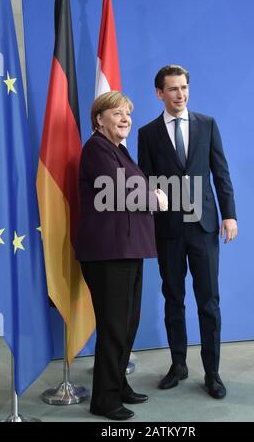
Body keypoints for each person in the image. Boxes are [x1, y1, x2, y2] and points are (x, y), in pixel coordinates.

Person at [138, 65, 237, 399]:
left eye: (184, 88)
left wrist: (230, 215)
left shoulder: (207, 124)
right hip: (168, 230)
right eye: (173, 89)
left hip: (205, 226)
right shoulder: (147, 134)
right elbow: (146, 184)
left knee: (208, 302)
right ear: (159, 93)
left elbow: (220, 173)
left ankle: (212, 372)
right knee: (174, 299)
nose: (180, 95)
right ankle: (178, 365)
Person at [75, 91, 167, 420]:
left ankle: (118, 384)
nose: (125, 118)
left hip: (128, 249)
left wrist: (150, 193)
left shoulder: (118, 151)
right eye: (117, 113)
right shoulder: (97, 149)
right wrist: (154, 196)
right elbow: (118, 192)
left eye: (127, 113)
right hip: (108, 252)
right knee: (115, 326)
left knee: (128, 324)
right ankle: (104, 399)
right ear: (99, 120)